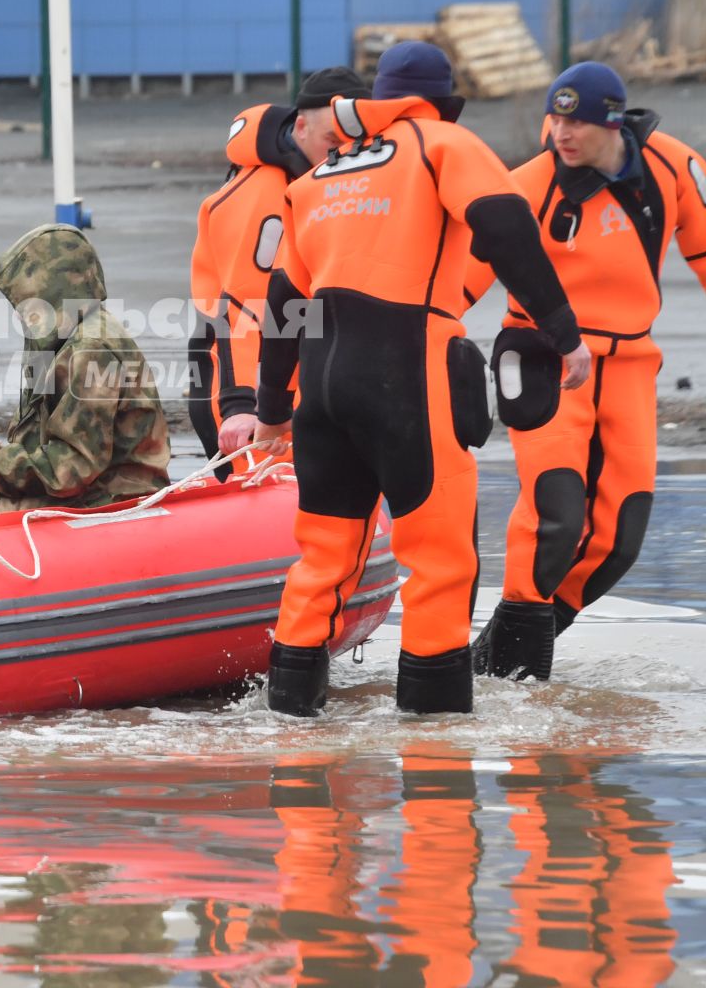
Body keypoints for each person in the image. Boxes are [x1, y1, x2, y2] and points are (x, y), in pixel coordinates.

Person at [250, 41, 591, 716]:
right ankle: (435, 749)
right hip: (405, 372)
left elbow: (284, 302)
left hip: (321, 387)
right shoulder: (443, 144)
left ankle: (289, 717)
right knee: (439, 561)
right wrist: (564, 333)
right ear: (445, 102)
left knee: (323, 559)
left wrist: (271, 411)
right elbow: (505, 228)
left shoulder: (320, 175)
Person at [469, 62, 706, 680]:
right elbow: (457, 277)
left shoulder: (673, 170)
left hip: (631, 363)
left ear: (613, 121)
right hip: (539, 357)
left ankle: (495, 664)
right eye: (556, 117)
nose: (562, 132)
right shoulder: (528, 185)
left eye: (577, 120)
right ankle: (517, 694)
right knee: (556, 518)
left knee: (617, 543)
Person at [0, 224, 169, 521]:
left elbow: (73, 467)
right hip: (90, 487)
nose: (19, 311)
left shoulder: (89, 349)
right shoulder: (65, 337)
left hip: (110, 496)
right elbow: (39, 439)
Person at [191, 67, 372, 467]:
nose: (341, 153)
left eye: (353, 143)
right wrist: (240, 404)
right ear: (302, 127)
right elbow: (238, 304)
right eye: (331, 141)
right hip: (243, 384)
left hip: (295, 377)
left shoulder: (324, 181)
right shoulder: (265, 192)